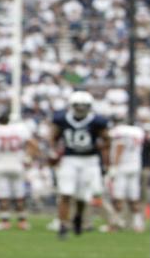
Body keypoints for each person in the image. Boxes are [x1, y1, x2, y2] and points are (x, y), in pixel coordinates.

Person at [47, 90, 111, 239]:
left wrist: (105, 158)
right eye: (78, 105)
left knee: (83, 196)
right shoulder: (62, 119)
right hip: (70, 159)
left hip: (90, 159)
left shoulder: (97, 121)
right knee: (65, 192)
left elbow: (107, 140)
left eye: (84, 106)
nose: (81, 109)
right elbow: (53, 137)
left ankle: (78, 218)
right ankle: (63, 226)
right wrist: (53, 152)